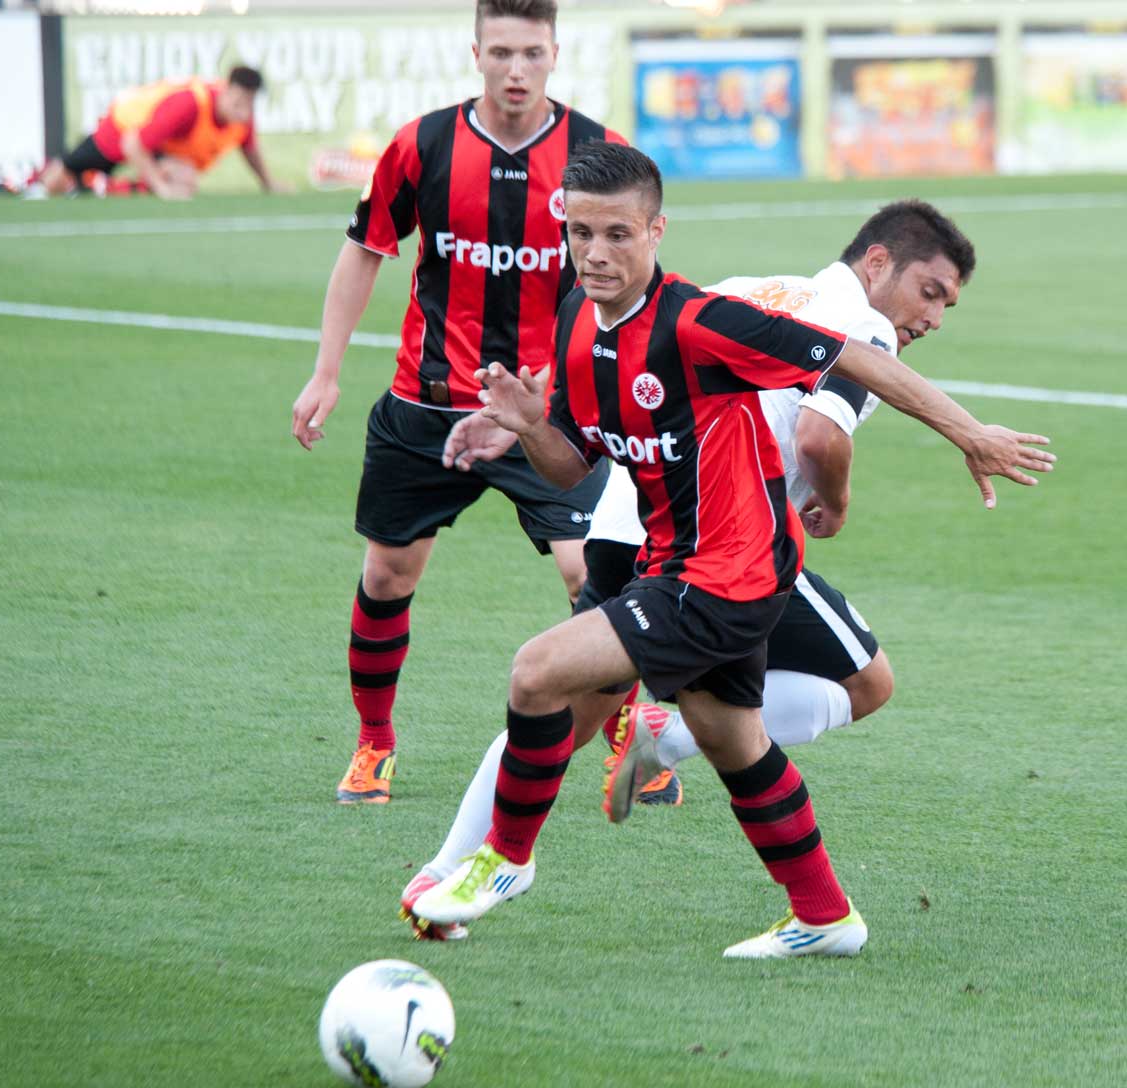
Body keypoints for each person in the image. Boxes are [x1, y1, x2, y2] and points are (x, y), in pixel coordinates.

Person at [409, 141, 1054, 958]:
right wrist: (531, 425)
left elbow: (851, 363)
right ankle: (827, 917)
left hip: (724, 570)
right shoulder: (579, 319)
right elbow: (573, 466)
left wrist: (970, 433)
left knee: (541, 674)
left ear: (656, 232)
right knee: (730, 736)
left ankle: (499, 860)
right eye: (581, 234)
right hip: (673, 552)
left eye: (617, 235)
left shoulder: (705, 316)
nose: (596, 253)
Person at [289, 0, 624, 805]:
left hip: (544, 412)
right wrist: (326, 372)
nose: (517, 70)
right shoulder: (423, 145)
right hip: (428, 401)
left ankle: (623, 742)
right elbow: (365, 250)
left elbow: (620, 288)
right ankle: (374, 743)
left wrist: (575, 394)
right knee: (387, 574)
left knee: (594, 576)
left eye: (532, 53)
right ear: (476, 53)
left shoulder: (596, 154)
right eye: (501, 52)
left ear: (556, 53)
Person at [33, 67, 284, 199]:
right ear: (226, 90)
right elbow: (132, 144)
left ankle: (106, 187)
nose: (243, 110)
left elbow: (250, 149)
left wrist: (269, 183)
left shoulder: (242, 117)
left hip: (156, 148)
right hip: (120, 130)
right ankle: (45, 183)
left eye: (249, 103)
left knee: (184, 181)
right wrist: (162, 188)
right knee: (56, 180)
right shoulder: (190, 104)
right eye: (238, 102)